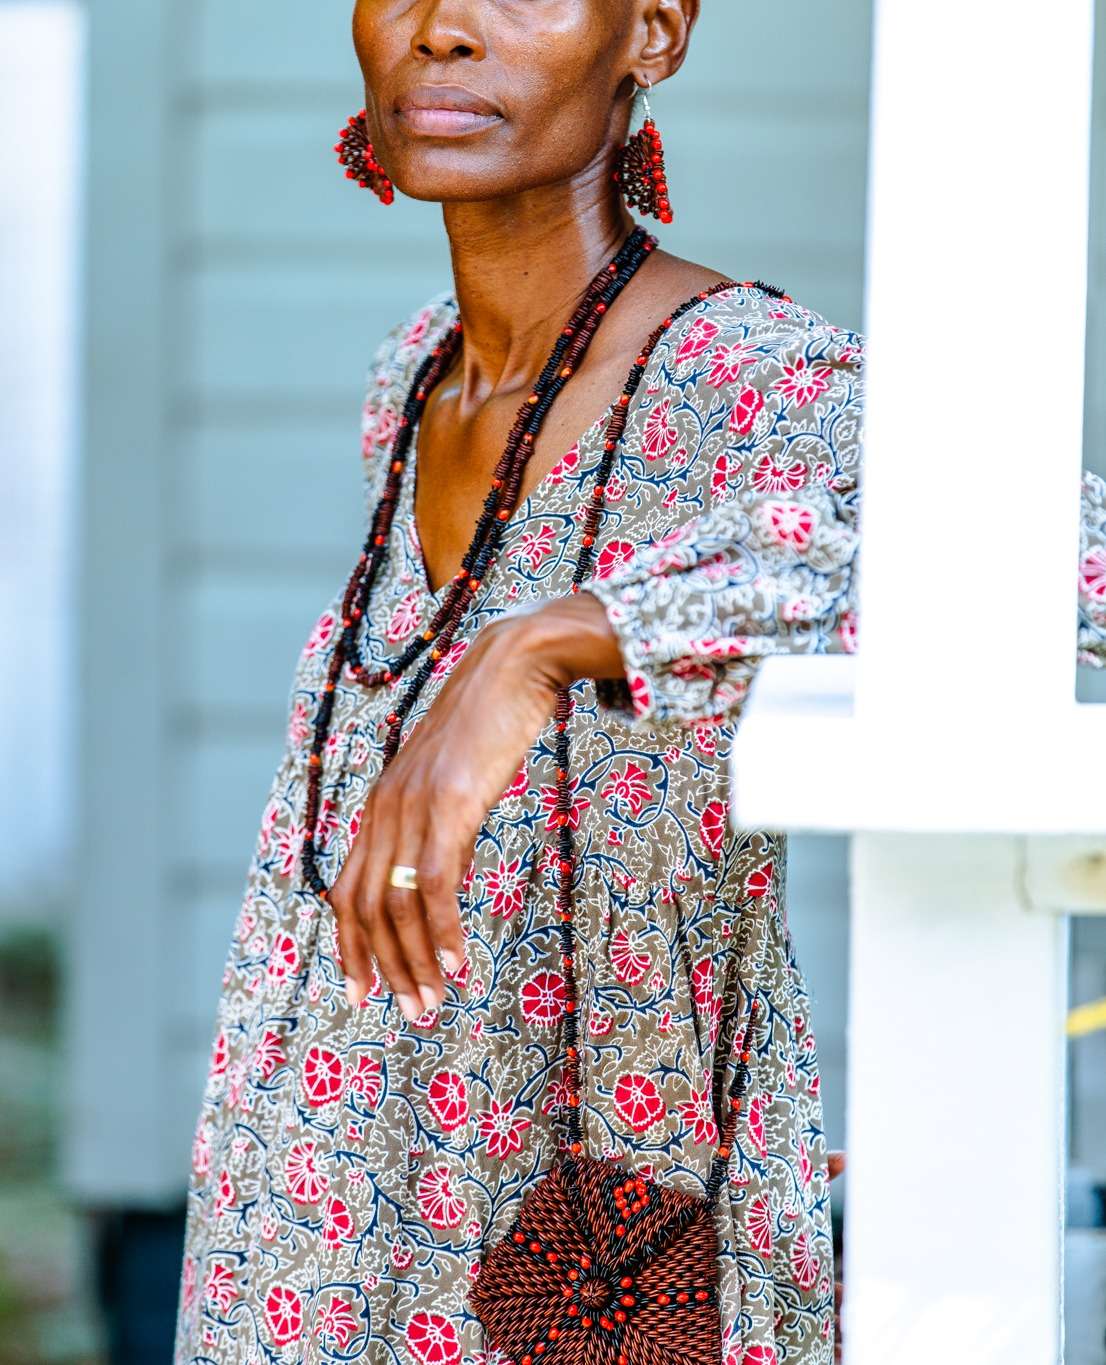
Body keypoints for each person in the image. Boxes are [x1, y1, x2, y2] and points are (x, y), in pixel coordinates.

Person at [172, 2, 1103, 1360]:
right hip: (307, 1204)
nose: (444, 29)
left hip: (586, 1243)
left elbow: (1052, 554)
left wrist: (558, 638)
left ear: (653, 32)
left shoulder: (744, 381)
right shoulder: (411, 378)